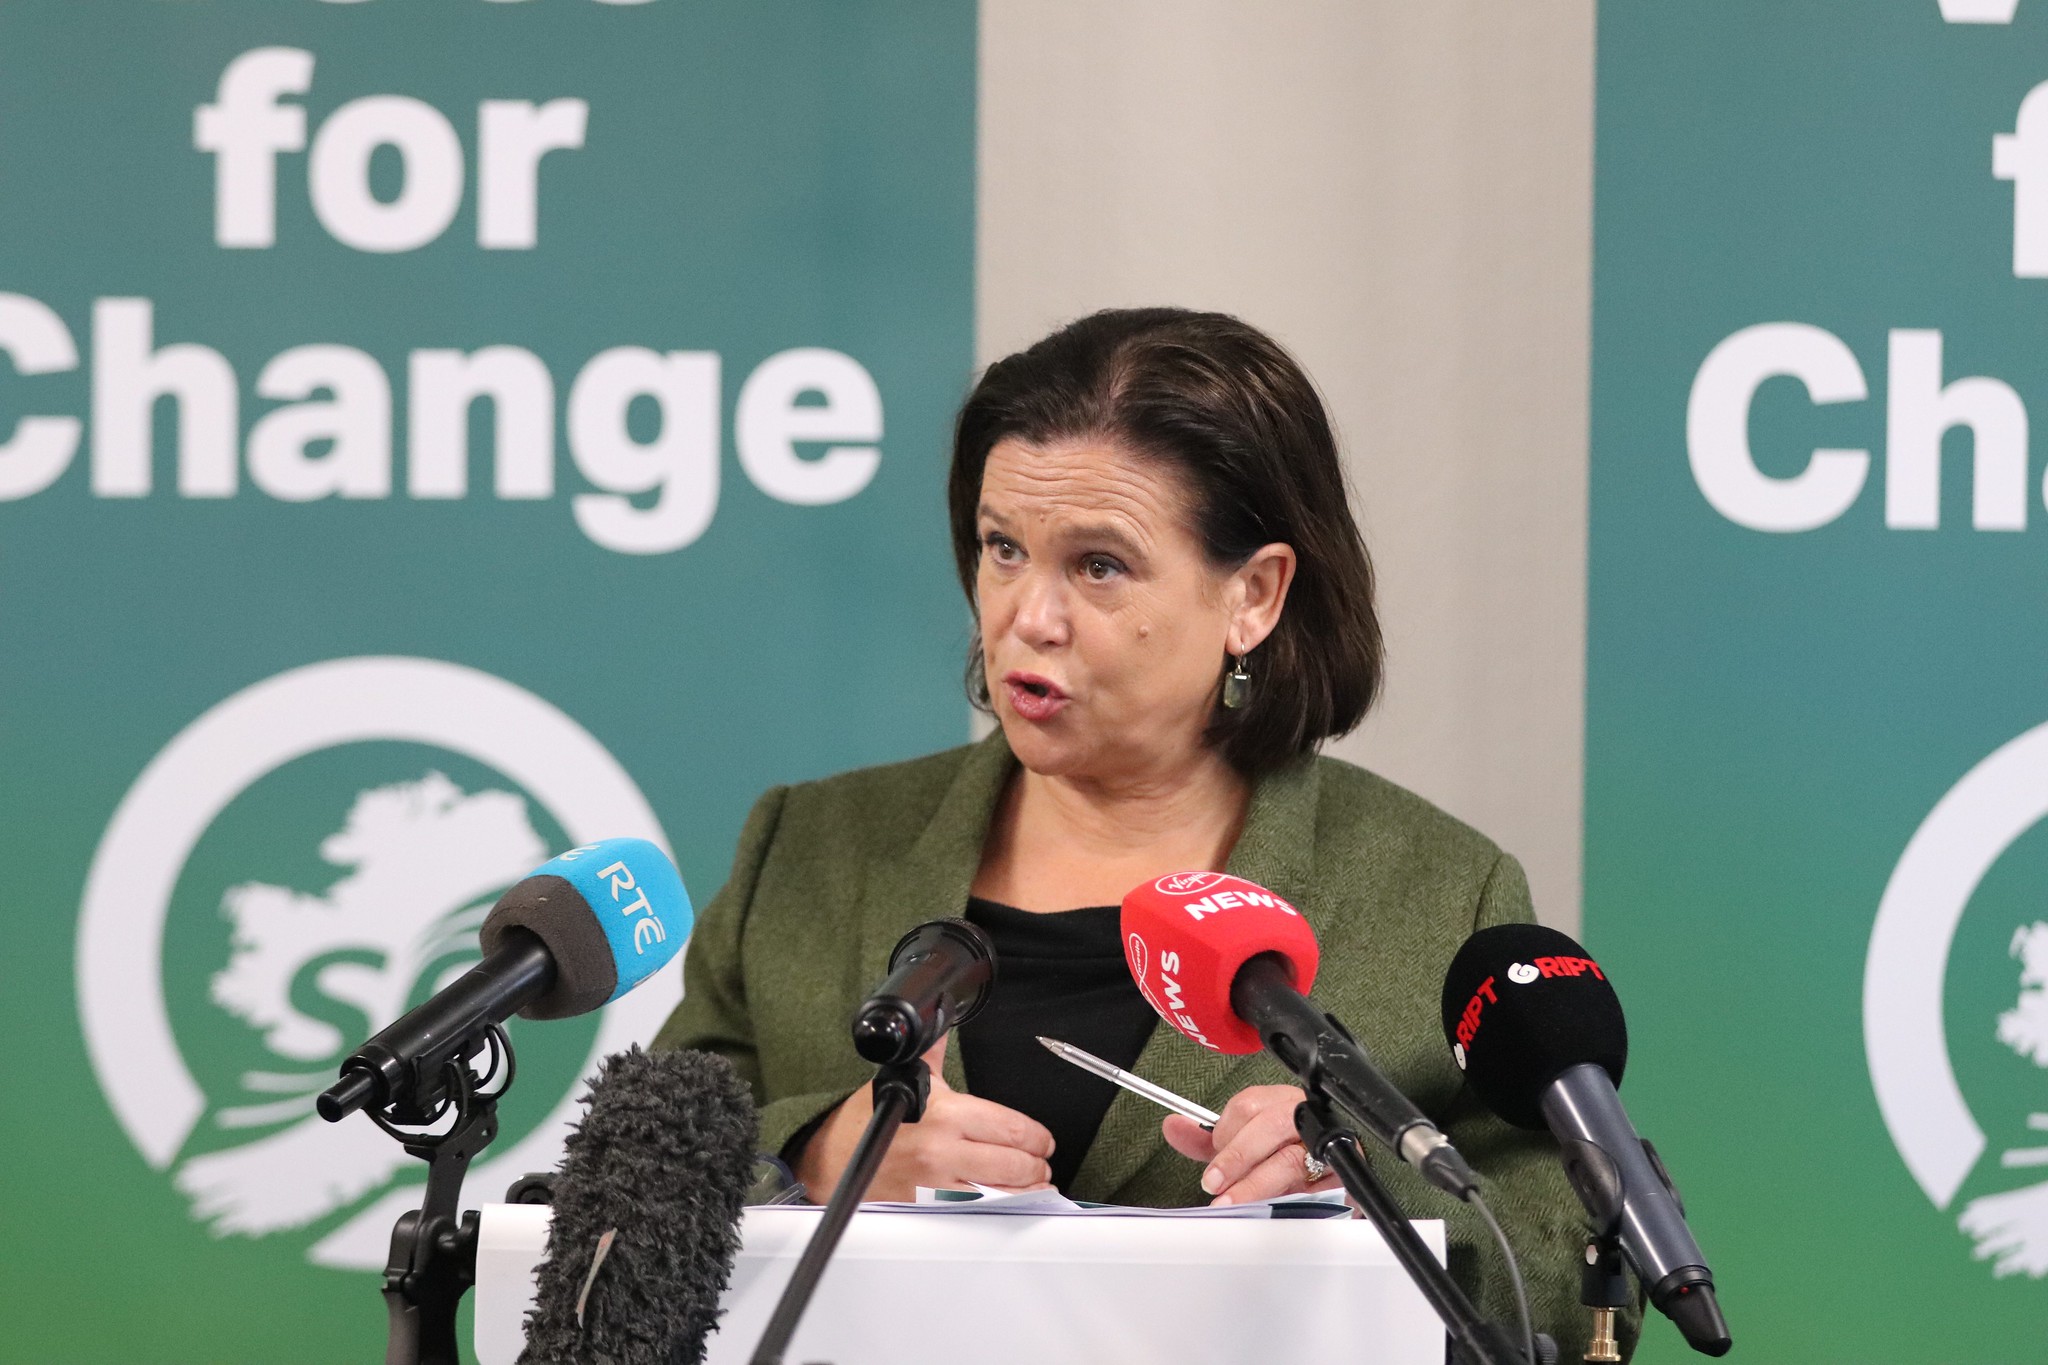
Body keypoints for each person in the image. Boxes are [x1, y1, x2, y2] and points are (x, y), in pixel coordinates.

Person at [654, 307, 1635, 1359]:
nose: (1026, 615)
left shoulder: (1438, 891)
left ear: (1251, 596)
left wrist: (1363, 1191)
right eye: (1001, 549)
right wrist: (810, 1155)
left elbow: (1580, 1275)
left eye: (1099, 566)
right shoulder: (808, 846)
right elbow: (618, 1187)